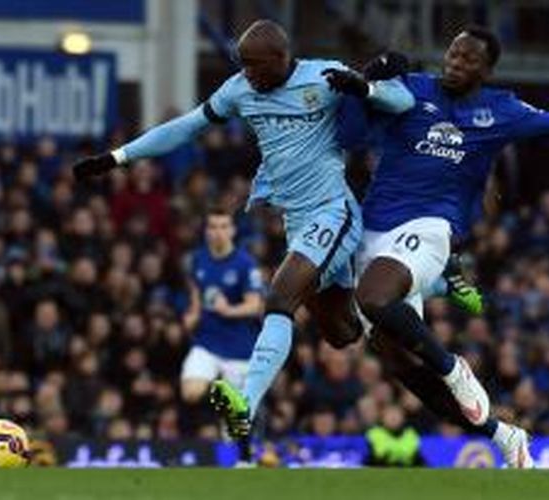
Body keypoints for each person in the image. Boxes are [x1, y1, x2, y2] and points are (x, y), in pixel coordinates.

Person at [327, 25, 549, 468]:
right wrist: (361, 84)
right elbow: (349, 137)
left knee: (375, 299)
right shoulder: (411, 90)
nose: (456, 63)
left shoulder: (502, 110)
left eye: (468, 59)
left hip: (430, 226)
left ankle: (454, 367)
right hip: (372, 231)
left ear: (487, 69)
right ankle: (505, 435)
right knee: (403, 369)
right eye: (453, 55)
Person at [70, 19, 412, 452]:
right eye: (243, 65)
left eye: (253, 65)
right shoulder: (239, 90)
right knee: (339, 333)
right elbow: (186, 126)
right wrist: (118, 157)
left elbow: (402, 101)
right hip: (297, 223)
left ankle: (245, 405)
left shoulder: (323, 77)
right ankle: (397, 305)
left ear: (280, 58)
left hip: (333, 212)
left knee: (279, 298)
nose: (246, 73)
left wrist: (363, 87)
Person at [180, 207, 263, 431]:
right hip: (207, 342)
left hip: (239, 347)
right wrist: (193, 314)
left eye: (224, 226)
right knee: (191, 391)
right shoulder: (197, 259)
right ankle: (219, 395)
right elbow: (197, 295)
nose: (218, 232)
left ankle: (240, 446)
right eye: (213, 227)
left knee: (234, 430)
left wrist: (229, 310)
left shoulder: (245, 264)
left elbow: (255, 305)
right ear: (206, 231)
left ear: (233, 230)